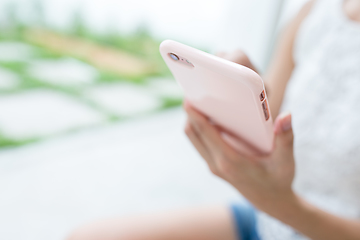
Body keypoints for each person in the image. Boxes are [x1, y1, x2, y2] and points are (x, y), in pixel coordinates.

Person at [67, 0, 360, 239]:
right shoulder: (316, 9)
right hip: (267, 220)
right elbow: (273, 114)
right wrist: (241, 95)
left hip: (303, 218)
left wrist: (284, 206)